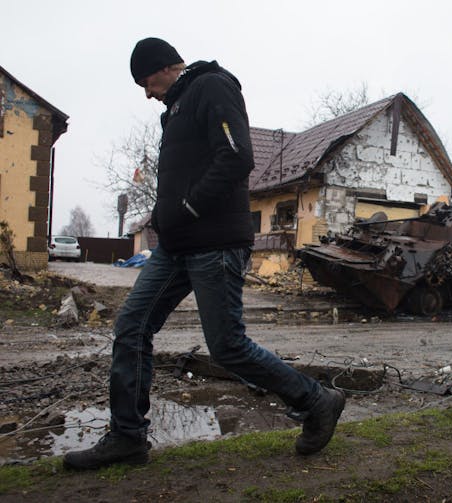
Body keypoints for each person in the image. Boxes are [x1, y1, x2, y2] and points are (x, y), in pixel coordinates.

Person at [63, 38, 345, 470]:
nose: (145, 92)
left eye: (145, 81)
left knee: (227, 345)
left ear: (163, 68)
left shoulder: (212, 86)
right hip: (175, 247)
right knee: (131, 329)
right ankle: (127, 437)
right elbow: (182, 175)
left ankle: (316, 400)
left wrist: (190, 207)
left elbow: (236, 157)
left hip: (214, 242)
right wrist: (163, 214)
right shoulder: (174, 110)